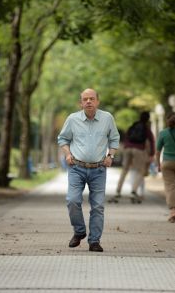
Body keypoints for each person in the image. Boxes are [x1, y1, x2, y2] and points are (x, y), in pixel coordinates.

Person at [57, 88, 120, 252]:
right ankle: (79, 232)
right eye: (85, 99)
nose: (88, 102)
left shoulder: (107, 119)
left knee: (98, 206)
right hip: (76, 168)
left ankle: (94, 241)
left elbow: (114, 139)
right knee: (72, 200)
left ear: (98, 101)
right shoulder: (72, 119)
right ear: (81, 103)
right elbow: (62, 138)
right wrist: (67, 154)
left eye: (92, 99)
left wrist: (110, 156)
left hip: (98, 169)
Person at [112, 111, 155, 203]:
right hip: (139, 149)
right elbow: (151, 141)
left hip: (127, 148)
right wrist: (151, 154)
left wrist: (126, 146)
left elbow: (126, 136)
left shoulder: (133, 125)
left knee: (124, 170)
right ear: (148, 119)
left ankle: (118, 191)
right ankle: (134, 191)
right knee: (141, 170)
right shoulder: (146, 128)